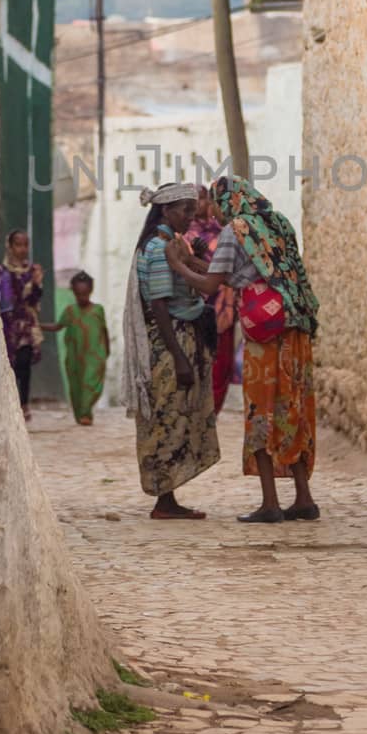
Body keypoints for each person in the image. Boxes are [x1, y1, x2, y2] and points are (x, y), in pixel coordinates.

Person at [167, 175, 319, 525]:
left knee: (261, 408)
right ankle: (303, 497)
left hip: (265, 334)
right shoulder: (276, 222)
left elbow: (210, 285)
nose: (212, 210)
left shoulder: (235, 229)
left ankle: (269, 502)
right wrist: (198, 260)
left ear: (229, 201)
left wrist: (178, 264)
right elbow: (246, 274)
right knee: (292, 405)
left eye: (215, 203)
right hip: (294, 329)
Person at [122, 182, 221, 520]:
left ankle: (169, 497)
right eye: (185, 210)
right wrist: (178, 355)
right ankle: (164, 500)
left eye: (193, 210)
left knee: (175, 416)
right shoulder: (158, 249)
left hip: (178, 338)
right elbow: (160, 305)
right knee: (167, 417)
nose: (191, 217)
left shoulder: (171, 244)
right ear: (165, 210)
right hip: (169, 343)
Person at [185, 184, 239, 415]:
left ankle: (211, 413)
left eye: (203, 199)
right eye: (194, 200)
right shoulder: (182, 235)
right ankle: (196, 411)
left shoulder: (225, 233)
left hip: (222, 308)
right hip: (193, 308)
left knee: (220, 365)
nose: (199, 205)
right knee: (195, 360)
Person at [42, 271, 109, 426]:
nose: (82, 297)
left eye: (85, 293)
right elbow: (58, 326)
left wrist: (107, 351)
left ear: (90, 291)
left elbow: (104, 331)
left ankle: (86, 412)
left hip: (95, 355)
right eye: (79, 294)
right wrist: (38, 325)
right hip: (75, 356)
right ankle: (81, 414)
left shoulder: (98, 310)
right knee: (76, 385)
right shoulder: (70, 311)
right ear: (73, 292)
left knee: (90, 382)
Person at [0, 229, 43, 421]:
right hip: (7, 325)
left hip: (25, 325)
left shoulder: (32, 271)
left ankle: (24, 404)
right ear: (10, 246)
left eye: (25, 245)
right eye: (18, 244)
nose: (22, 249)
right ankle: (10, 402)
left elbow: (34, 299)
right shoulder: (1, 271)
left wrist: (37, 284)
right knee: (11, 364)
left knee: (24, 364)